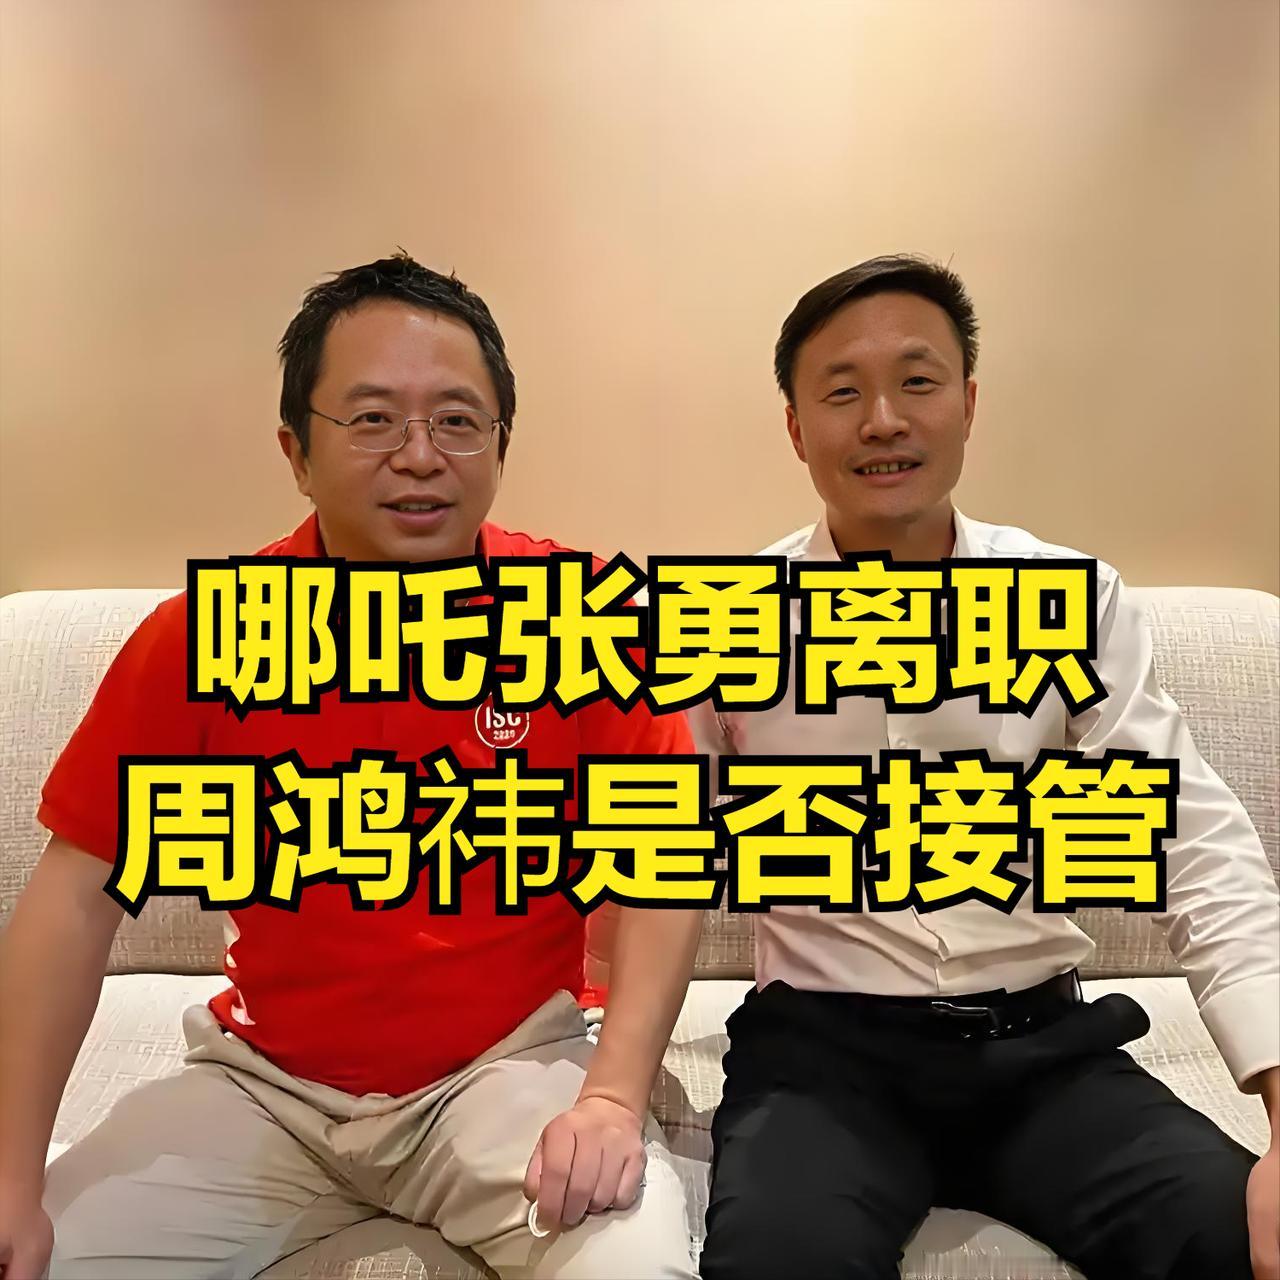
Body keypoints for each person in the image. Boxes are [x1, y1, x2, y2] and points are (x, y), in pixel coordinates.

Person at [0, 253, 701, 1280]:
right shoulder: (203, 636)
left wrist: (609, 1096)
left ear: (500, 443)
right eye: (373, 420)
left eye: (456, 421)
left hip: (508, 1066)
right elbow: (71, 900)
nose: (419, 456)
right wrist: (11, 1173)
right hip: (267, 1085)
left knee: (632, 1265)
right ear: (297, 451)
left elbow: (664, 867)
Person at [695, 254, 1280, 1280]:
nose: (883, 420)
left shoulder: (1069, 598)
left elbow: (1194, 843)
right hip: (820, 1064)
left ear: (967, 403)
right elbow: (655, 855)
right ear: (795, 427)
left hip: (1041, 1053)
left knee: (1233, 1236)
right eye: (842, 392)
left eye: (917, 381)